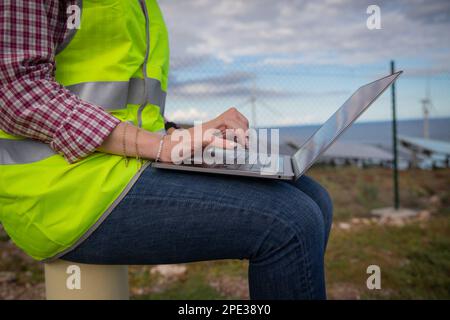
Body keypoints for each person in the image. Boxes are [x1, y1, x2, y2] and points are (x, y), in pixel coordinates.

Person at [0, 0, 333, 299]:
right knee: (291, 222)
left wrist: (186, 135)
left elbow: (126, 108)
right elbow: (16, 91)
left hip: (117, 162)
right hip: (63, 187)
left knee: (314, 197)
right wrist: (160, 146)